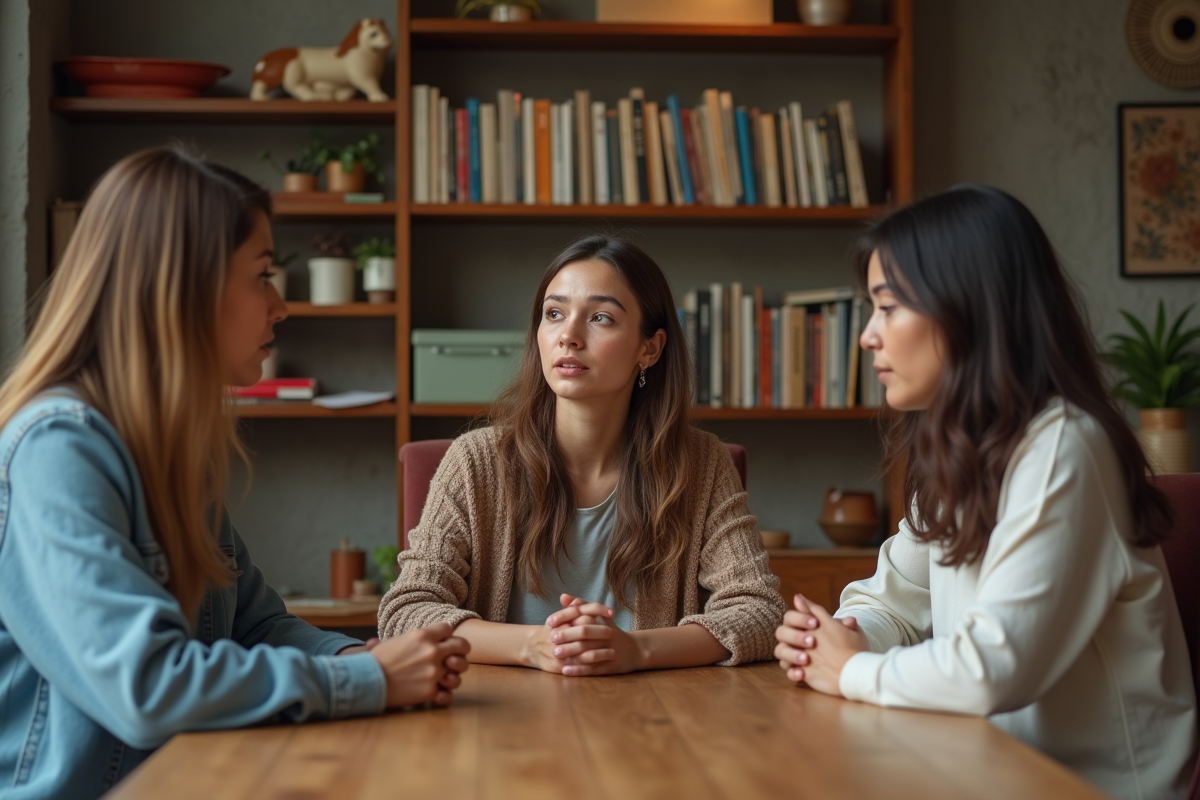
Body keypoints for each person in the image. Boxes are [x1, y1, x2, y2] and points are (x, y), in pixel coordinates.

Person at [0, 147, 470, 800]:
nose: (280, 305)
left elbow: (258, 625)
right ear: (182, 287)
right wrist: (370, 682)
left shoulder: (168, 453)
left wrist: (357, 658)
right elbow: (144, 688)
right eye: (263, 274)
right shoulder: (60, 447)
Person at [774, 184, 1197, 799]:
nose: (868, 336)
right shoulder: (965, 448)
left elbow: (994, 669)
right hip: (981, 770)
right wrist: (845, 636)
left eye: (888, 307)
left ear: (967, 310)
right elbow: (895, 596)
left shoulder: (1064, 448)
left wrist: (854, 671)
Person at [379, 234, 784, 675]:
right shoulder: (476, 462)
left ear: (649, 348)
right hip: (499, 722)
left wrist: (636, 650)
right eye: (554, 314)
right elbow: (405, 612)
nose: (568, 336)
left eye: (601, 318)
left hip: (655, 719)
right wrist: (533, 645)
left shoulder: (701, 465)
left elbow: (760, 612)